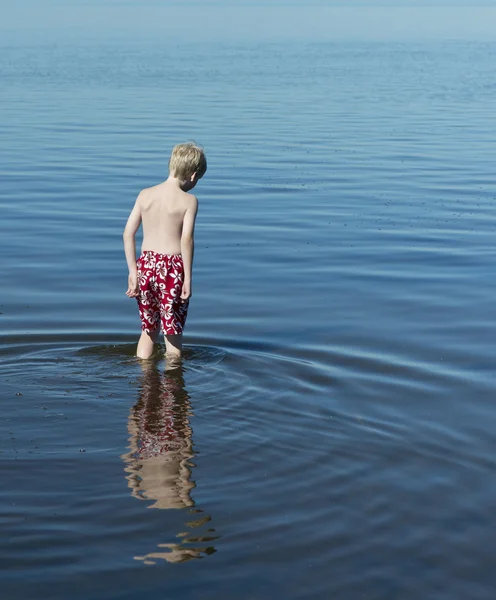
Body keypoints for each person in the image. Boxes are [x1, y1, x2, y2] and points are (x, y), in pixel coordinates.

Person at [123, 142, 207, 361]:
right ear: (193, 175)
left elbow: (127, 234)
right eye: (198, 180)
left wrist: (133, 272)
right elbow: (186, 239)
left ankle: (144, 378)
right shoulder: (189, 201)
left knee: (148, 330)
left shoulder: (145, 195)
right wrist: (188, 278)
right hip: (172, 271)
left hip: (146, 266)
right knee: (173, 334)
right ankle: (172, 386)